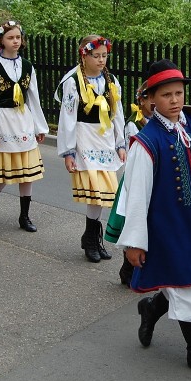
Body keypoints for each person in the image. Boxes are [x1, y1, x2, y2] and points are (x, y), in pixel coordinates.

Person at [118, 60, 191, 379]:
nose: (174, 100)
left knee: (185, 279)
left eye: (179, 93)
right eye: (167, 94)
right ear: (151, 99)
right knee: (186, 288)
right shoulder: (147, 142)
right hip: (165, 228)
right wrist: (134, 242)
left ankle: (152, 308)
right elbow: (136, 196)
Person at [55, 35, 126, 263]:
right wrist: (68, 151)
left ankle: (92, 237)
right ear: (84, 55)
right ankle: (92, 240)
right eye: (96, 56)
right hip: (84, 138)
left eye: (104, 55)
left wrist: (120, 143)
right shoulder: (73, 82)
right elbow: (67, 118)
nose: (101, 60)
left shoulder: (111, 80)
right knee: (95, 192)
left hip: (104, 140)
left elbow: (117, 114)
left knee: (104, 194)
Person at [0, 21, 49, 232]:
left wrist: (39, 127)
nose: (15, 41)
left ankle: (24, 216)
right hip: (3, 120)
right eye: (10, 38)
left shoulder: (27, 66)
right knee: (4, 172)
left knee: (27, 173)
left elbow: (33, 97)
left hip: (22, 120)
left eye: (18, 37)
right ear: (1, 40)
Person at [105, 81, 154, 286]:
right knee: (132, 222)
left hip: (153, 177)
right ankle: (127, 269)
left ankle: (140, 269)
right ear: (141, 100)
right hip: (135, 177)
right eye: (149, 99)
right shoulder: (135, 123)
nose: (153, 104)